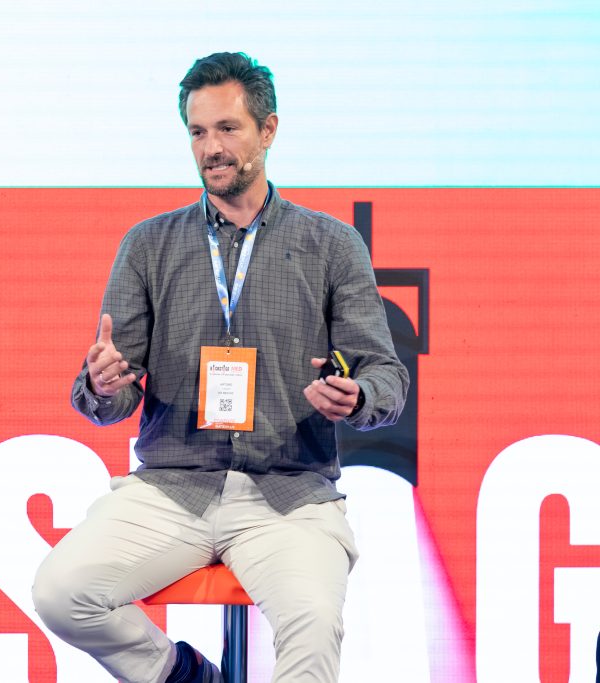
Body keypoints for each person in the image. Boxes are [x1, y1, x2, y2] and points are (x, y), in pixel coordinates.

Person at [33, 52, 408, 682]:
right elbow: (114, 393)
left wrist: (359, 394)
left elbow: (386, 376)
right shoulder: (149, 244)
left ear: (268, 130)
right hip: (172, 487)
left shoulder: (331, 244)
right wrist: (102, 384)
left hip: (289, 492)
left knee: (314, 626)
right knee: (61, 592)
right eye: (198, 132)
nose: (211, 148)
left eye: (228, 129)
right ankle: (183, 675)